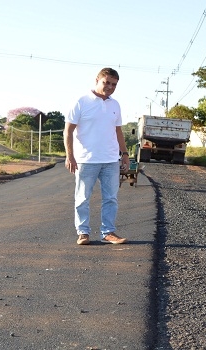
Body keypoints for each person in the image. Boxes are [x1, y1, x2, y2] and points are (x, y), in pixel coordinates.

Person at [64, 67, 129, 245]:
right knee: (82, 198)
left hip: (110, 160)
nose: (110, 87)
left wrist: (124, 154)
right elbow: (68, 131)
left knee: (111, 198)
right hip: (86, 160)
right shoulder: (81, 101)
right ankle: (83, 233)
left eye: (114, 84)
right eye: (106, 82)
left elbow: (118, 131)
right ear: (97, 80)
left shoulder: (115, 104)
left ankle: (108, 232)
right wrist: (70, 156)